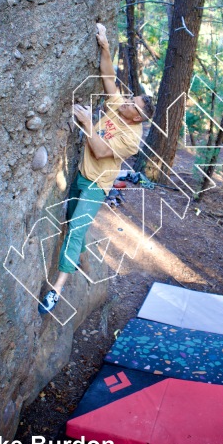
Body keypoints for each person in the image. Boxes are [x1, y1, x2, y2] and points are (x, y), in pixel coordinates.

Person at [39, 24, 154, 313]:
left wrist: (89, 123)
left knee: (76, 228)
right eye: (130, 98)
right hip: (80, 175)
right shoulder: (119, 107)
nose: (126, 101)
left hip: (96, 185)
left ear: (138, 117)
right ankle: (81, 257)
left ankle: (57, 289)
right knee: (70, 219)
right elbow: (108, 78)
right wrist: (104, 45)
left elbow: (100, 150)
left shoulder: (132, 139)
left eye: (132, 103)